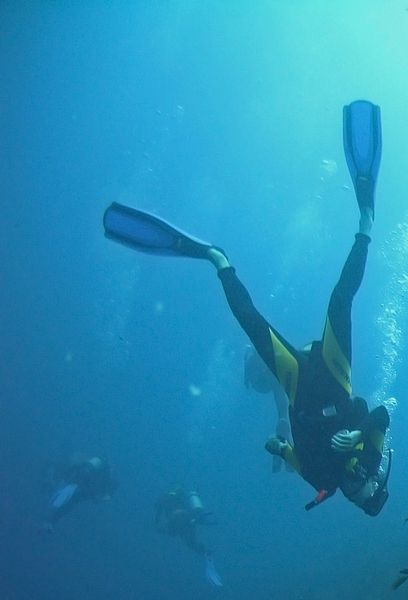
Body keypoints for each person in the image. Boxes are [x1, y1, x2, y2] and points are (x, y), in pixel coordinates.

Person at [102, 101, 392, 516]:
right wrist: (358, 434)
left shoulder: (324, 481)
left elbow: (297, 461)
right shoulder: (370, 457)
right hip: (332, 372)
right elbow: (380, 415)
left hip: (296, 386)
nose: (355, 481)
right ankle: (366, 222)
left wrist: (277, 446)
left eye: (354, 491)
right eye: (364, 482)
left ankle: (217, 260)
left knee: (249, 323)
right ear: (373, 477)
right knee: (339, 301)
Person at [155, 487, 223, 586]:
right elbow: (190, 507)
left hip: (175, 520)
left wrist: (158, 527)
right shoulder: (180, 496)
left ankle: (205, 552)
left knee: (177, 536)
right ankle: (207, 552)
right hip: (188, 519)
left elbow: (157, 519)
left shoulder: (163, 499)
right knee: (191, 542)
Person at [243, 344, 293, 473]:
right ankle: (285, 451)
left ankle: (283, 450)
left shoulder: (252, 357)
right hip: (266, 382)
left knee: (283, 418)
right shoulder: (253, 358)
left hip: (265, 383)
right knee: (283, 417)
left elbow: (247, 378)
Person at [46, 454, 117, 529]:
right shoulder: (104, 469)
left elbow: (105, 496)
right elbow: (105, 496)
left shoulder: (105, 473)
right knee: (71, 500)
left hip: (84, 485)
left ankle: (50, 521)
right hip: (83, 484)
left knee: (71, 500)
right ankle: (50, 521)